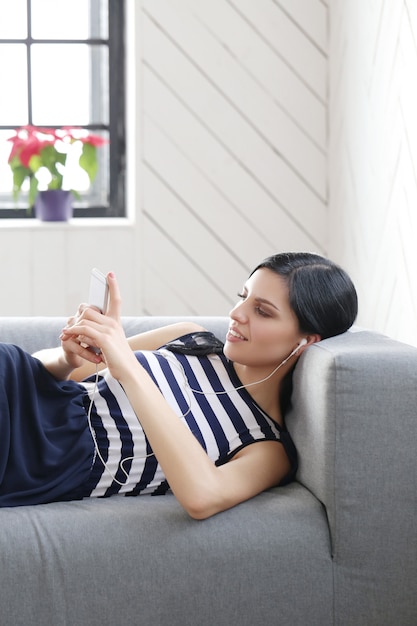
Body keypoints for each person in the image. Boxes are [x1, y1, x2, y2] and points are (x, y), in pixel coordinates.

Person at [0, 252, 358, 517]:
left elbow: (202, 496)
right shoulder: (190, 339)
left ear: (305, 341)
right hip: (20, 388)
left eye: (262, 311)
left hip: (52, 459)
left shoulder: (266, 447)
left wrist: (127, 367)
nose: (237, 314)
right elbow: (52, 373)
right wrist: (68, 358)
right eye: (242, 297)